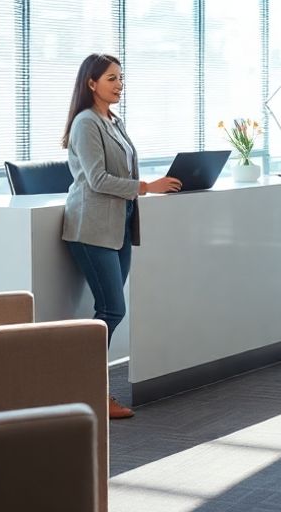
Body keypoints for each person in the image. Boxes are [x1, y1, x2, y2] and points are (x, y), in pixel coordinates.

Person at [61, 53, 181, 420]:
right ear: (91, 83)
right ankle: (89, 389)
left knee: (109, 310)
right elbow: (97, 179)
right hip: (91, 226)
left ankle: (82, 385)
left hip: (120, 225)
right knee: (112, 309)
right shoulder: (85, 123)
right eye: (111, 78)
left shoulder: (113, 121)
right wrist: (146, 187)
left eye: (121, 78)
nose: (119, 85)